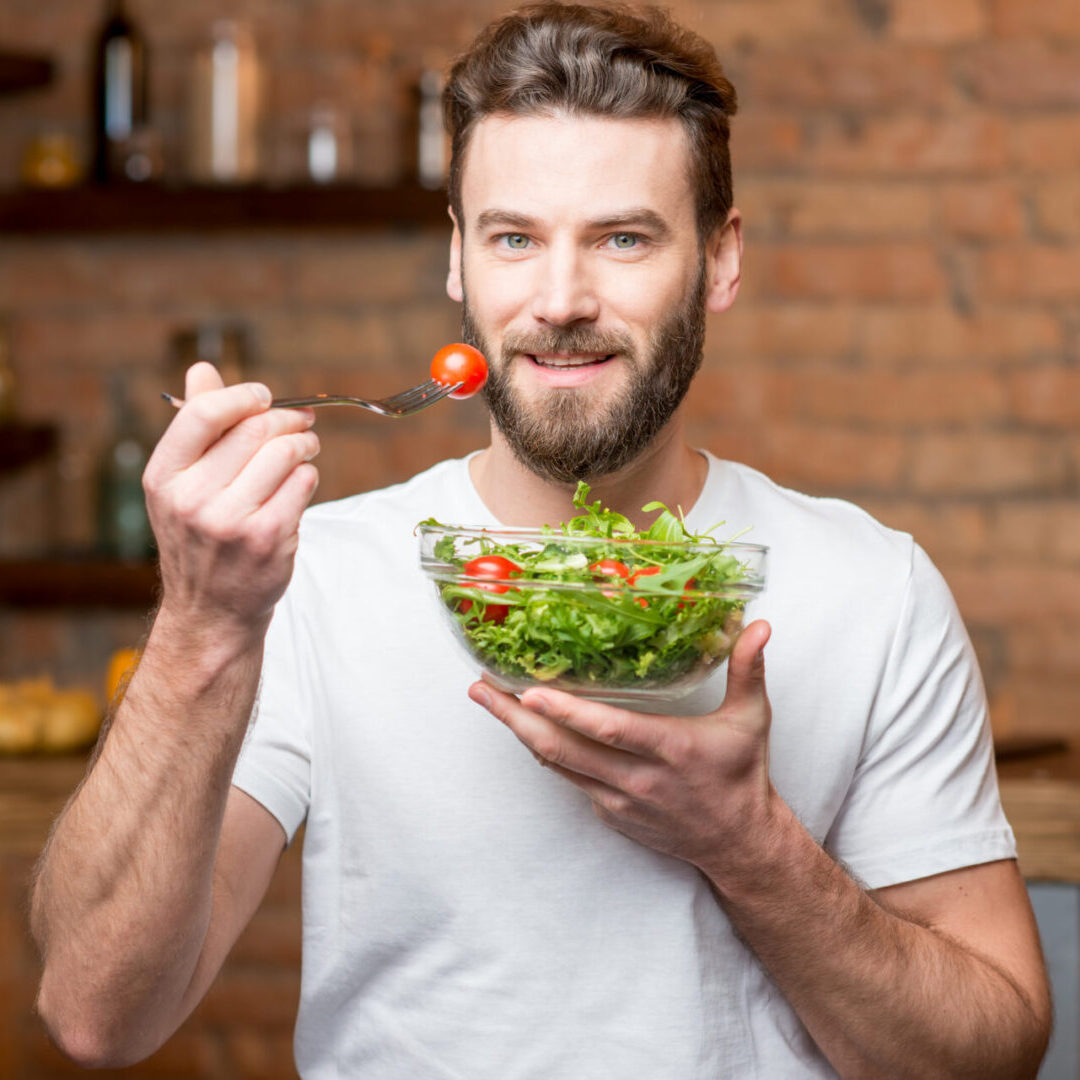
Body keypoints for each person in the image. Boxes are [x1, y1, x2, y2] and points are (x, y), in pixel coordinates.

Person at [31, 4, 1050, 1077]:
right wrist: (201, 622)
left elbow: (990, 1056)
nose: (561, 301)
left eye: (622, 239)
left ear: (720, 260)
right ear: (460, 263)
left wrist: (747, 846)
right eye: (516, 238)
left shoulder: (871, 589)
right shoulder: (313, 580)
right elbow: (98, 1015)